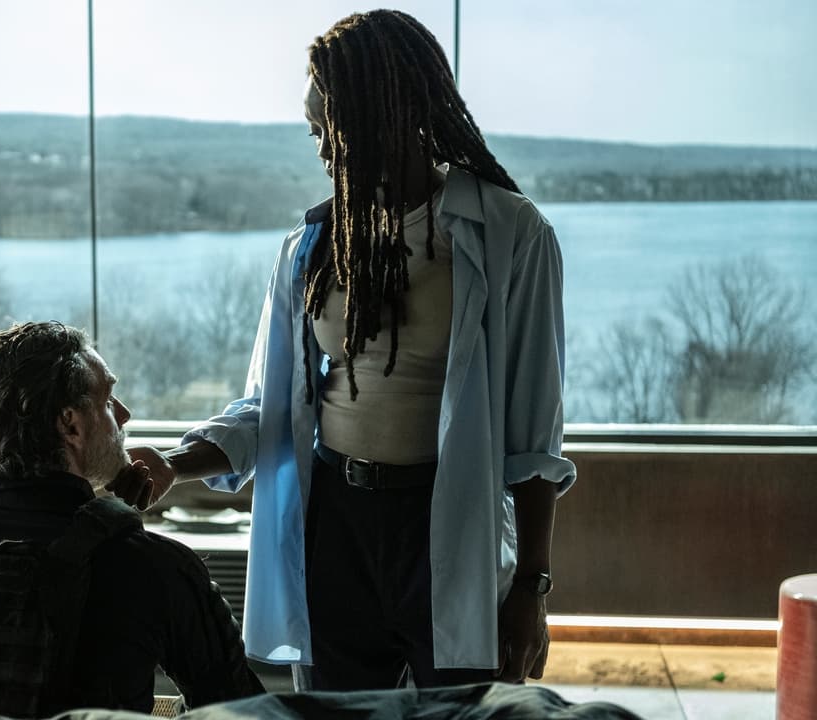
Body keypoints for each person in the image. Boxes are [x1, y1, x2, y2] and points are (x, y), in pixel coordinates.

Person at [121, 9, 576, 692]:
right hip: (337, 521)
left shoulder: (508, 233)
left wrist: (532, 589)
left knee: (461, 709)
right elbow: (269, 409)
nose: (323, 152)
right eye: (314, 132)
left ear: (389, 114)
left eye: (330, 129)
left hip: (447, 524)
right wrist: (173, 465)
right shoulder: (313, 246)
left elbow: (534, 436)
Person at [0, 322, 263, 718]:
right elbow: (245, 714)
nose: (124, 415)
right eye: (107, 400)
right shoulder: (151, 568)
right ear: (70, 425)